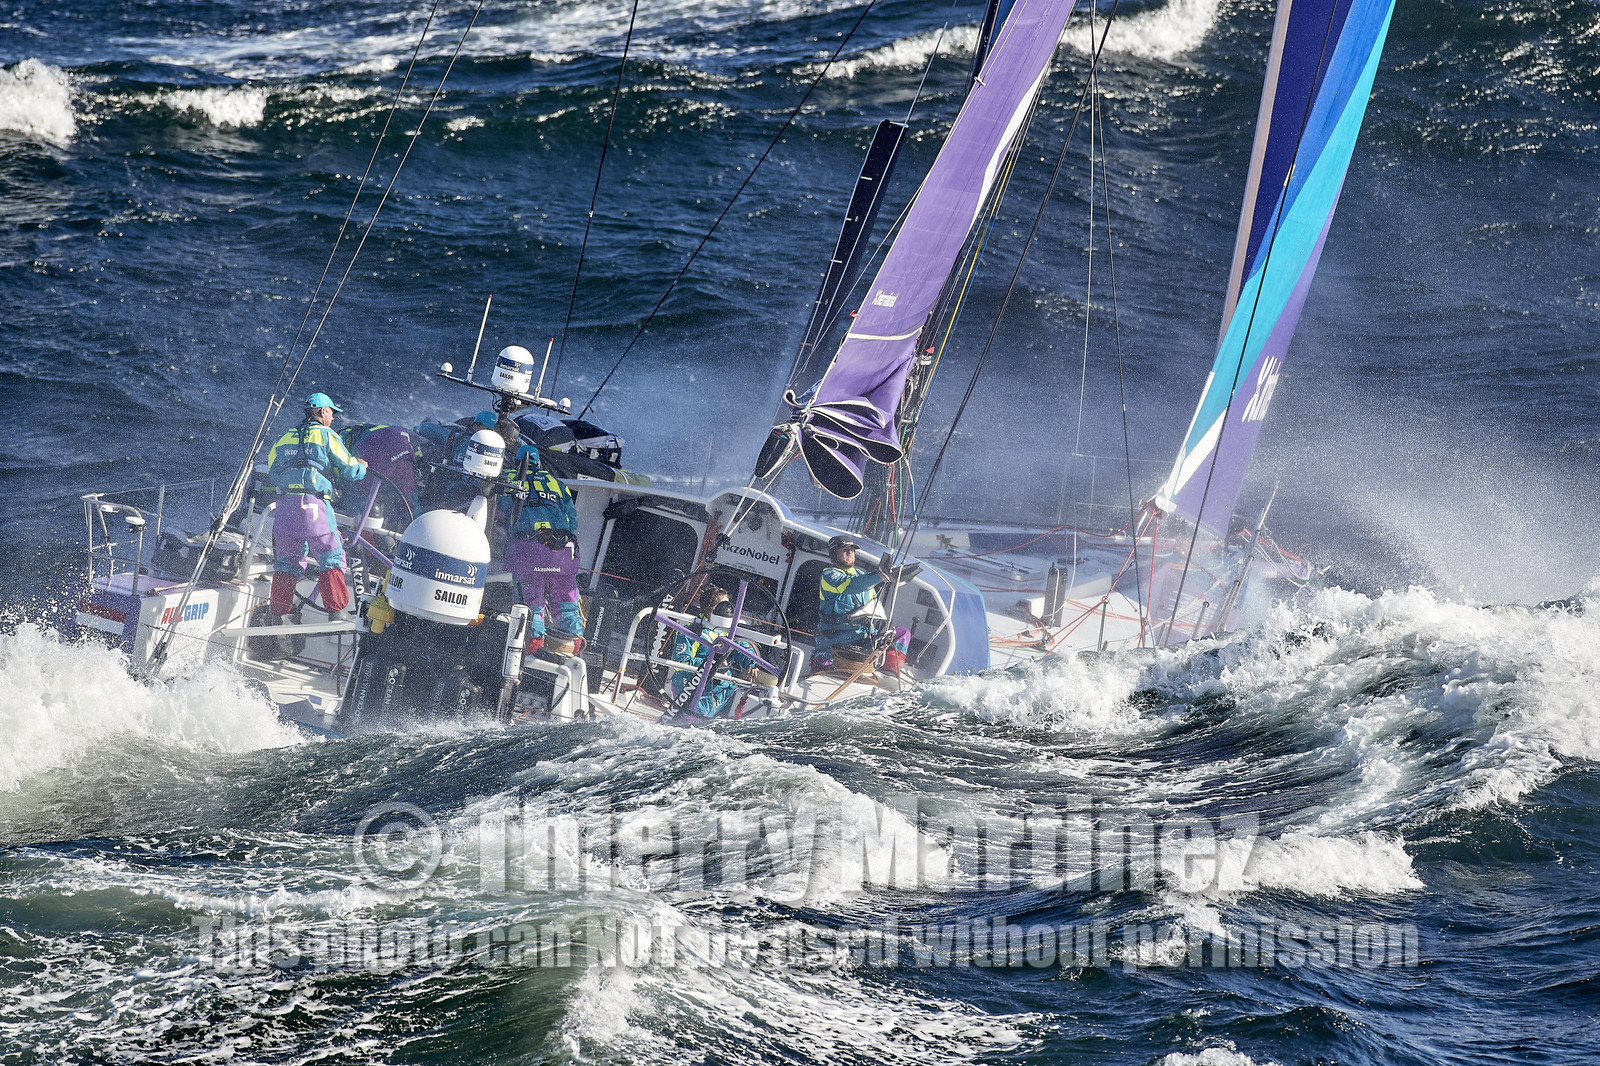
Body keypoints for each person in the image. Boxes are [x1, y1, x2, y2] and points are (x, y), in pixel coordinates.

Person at [265, 392, 368, 619]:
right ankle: (336, 610)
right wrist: (362, 466)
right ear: (322, 412)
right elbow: (349, 468)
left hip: (285, 507)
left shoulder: (285, 436)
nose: (333, 419)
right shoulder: (326, 435)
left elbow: (272, 472)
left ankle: (276, 613)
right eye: (332, 413)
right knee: (330, 553)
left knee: (286, 562)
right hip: (313, 505)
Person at [504, 442, 583, 656]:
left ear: (517, 461)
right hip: (562, 551)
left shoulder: (508, 478)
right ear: (539, 463)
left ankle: (530, 647)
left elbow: (502, 511)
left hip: (528, 550)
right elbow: (572, 520)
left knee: (532, 604)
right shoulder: (556, 483)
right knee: (568, 602)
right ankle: (574, 645)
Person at [813, 534, 911, 676]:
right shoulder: (829, 575)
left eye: (852, 550)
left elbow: (873, 605)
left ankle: (889, 672)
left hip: (864, 638)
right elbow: (849, 585)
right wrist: (880, 576)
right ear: (834, 554)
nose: (850, 552)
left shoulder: (862, 575)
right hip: (834, 641)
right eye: (844, 550)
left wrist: (881, 628)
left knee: (902, 633)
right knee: (821, 668)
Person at [667, 598, 758, 720]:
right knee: (694, 720)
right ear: (714, 608)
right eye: (723, 604)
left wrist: (751, 664)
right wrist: (712, 663)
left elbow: (742, 648)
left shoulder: (729, 631)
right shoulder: (693, 631)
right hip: (690, 685)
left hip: (723, 687)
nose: (728, 608)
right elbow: (680, 662)